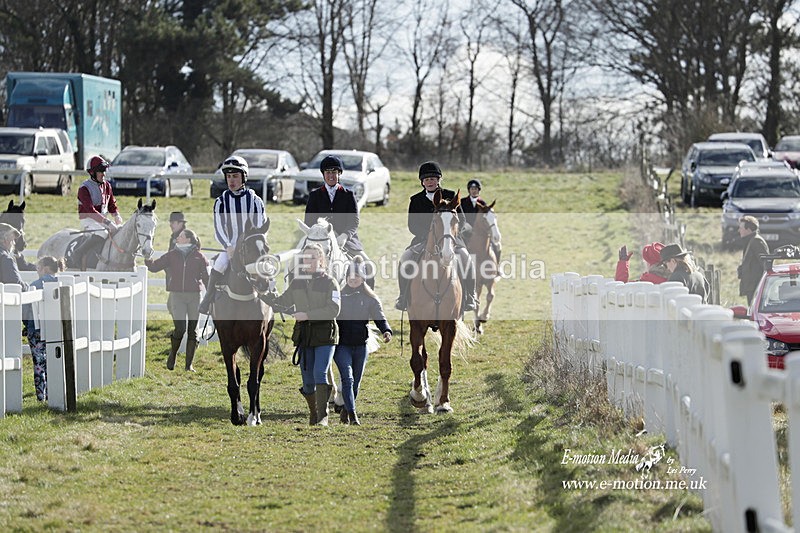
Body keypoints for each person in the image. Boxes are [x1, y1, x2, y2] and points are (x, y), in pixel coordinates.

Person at [262, 243, 341, 426]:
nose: (308, 261)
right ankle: (313, 413)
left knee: (320, 373)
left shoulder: (330, 282)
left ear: (320, 260)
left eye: (312, 258)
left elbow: (334, 309)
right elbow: (282, 302)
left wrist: (307, 315)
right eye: (305, 258)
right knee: (307, 382)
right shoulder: (297, 282)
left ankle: (323, 417)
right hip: (304, 337)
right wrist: (264, 293)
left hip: (325, 336)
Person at [395, 161, 477, 313]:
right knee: (405, 258)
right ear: (422, 182)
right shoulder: (416, 200)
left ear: (439, 179)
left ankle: (470, 296)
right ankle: (403, 297)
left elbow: (462, 220)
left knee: (466, 258)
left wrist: (451, 235)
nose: (430, 182)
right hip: (424, 240)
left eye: (432, 179)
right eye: (426, 179)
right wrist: (428, 236)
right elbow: (412, 225)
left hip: (450, 239)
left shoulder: (450, 196)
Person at [198, 155, 266, 315]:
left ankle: (271, 296)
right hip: (230, 247)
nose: (231, 180)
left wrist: (254, 247)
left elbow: (260, 228)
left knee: (266, 268)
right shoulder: (220, 202)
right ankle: (208, 298)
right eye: (228, 176)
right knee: (219, 265)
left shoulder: (255, 201)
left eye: (235, 176)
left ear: (244, 177)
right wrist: (228, 247)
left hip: (252, 248)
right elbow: (219, 228)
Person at [334, 257, 392, 425]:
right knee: (347, 379)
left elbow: (379, 317)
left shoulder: (370, 298)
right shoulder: (338, 296)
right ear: (346, 277)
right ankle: (353, 415)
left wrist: (386, 330)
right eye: (350, 276)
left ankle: (345, 410)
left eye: (357, 276)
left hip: (361, 346)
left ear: (363, 278)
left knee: (356, 383)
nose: (353, 279)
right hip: (342, 346)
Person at [145, 229, 209, 371]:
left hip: (194, 297)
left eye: (180, 236)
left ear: (188, 239)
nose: (177, 239)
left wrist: (211, 296)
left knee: (193, 331)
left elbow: (206, 279)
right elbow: (154, 267)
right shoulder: (171, 255)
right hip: (177, 296)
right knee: (180, 329)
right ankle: (172, 355)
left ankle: (188, 365)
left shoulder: (199, 257)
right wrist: (147, 258)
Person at [304, 155, 373, 285]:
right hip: (320, 241)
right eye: (328, 172)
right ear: (323, 174)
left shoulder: (348, 195)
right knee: (296, 265)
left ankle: (367, 295)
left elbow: (354, 221)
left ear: (339, 174)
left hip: (345, 241)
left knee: (368, 266)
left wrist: (345, 236)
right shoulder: (314, 195)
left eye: (334, 172)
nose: (331, 176)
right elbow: (309, 221)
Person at [23, 256, 65, 401]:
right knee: (57, 361)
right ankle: (58, 392)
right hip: (59, 330)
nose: (37, 271)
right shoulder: (63, 284)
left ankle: (42, 395)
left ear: (45, 269)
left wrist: (26, 325)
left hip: (37, 330)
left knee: (39, 363)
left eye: (38, 268)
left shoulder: (35, 285)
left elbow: (25, 310)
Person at [72, 155, 123, 270]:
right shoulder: (84, 188)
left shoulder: (107, 185)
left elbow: (111, 204)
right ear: (92, 173)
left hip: (102, 221)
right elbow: (90, 211)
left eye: (104, 171)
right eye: (101, 171)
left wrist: (116, 215)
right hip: (88, 220)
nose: (103, 174)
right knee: (103, 233)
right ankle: (78, 253)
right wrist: (107, 222)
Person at [461, 178, 501, 263]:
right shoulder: (462, 202)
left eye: (475, 189)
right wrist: (465, 225)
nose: (474, 191)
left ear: (479, 190)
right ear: (469, 190)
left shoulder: (483, 203)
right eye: (472, 189)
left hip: (480, 229)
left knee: (497, 246)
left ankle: (497, 265)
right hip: (465, 229)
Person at [737, 215, 769, 305]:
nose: (739, 230)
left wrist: (761, 286)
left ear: (748, 229)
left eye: (741, 228)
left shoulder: (756, 241)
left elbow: (766, 264)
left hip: (756, 287)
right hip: (752, 286)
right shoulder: (751, 241)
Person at [0, 222, 28, 289]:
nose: (14, 243)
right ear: (5, 240)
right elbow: (15, 285)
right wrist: (26, 287)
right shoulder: (5, 259)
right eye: (12, 240)